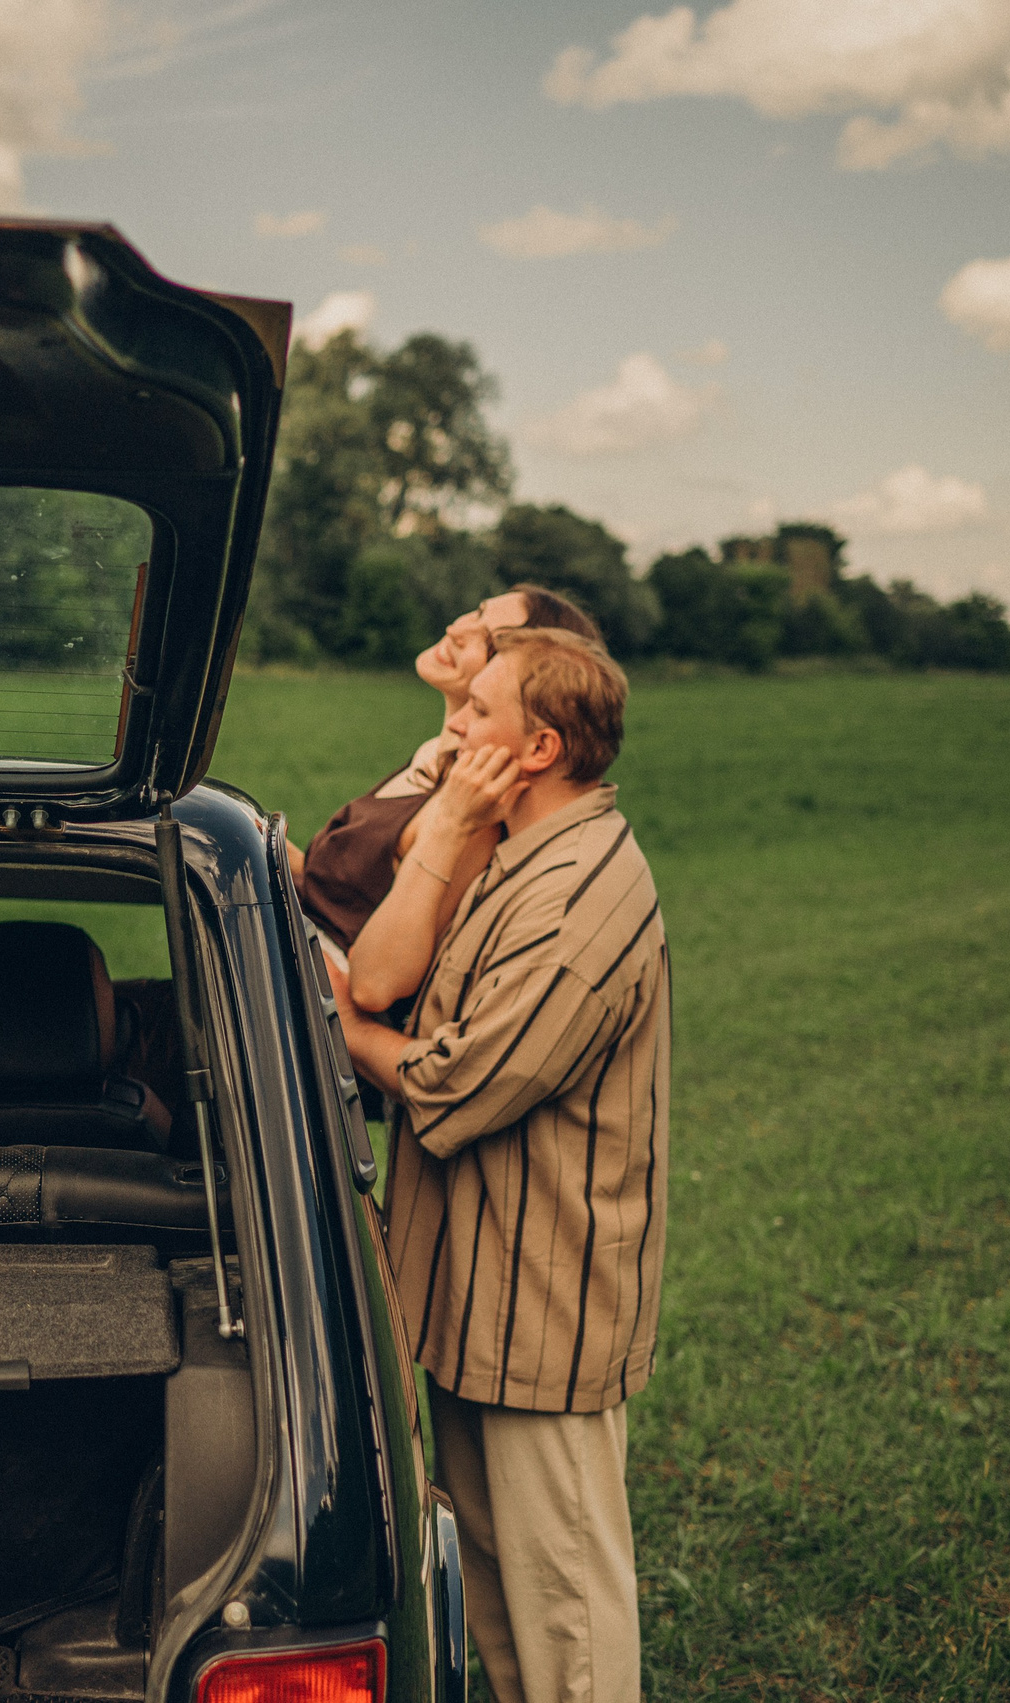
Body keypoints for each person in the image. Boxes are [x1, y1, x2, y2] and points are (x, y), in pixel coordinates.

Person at [330, 627, 670, 1703]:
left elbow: (454, 1085)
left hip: (543, 1307)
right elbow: (398, 979)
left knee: (565, 1609)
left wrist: (334, 1027)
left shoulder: (577, 898)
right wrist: (451, 817)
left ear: (538, 746)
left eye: (478, 709)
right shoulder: (512, 842)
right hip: (478, 1297)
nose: (455, 723)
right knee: (500, 1595)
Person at [291, 584, 601, 953]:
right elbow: (328, 890)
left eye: (487, 638)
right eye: (478, 610)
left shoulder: (472, 808)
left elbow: (377, 969)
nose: (456, 628)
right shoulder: (433, 756)